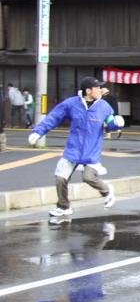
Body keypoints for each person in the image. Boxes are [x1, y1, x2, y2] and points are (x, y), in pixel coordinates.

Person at [28, 77, 125, 217]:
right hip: (73, 149)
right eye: (97, 88)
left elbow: (110, 123)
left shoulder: (104, 106)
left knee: (88, 177)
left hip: (92, 150)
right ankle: (63, 206)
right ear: (88, 90)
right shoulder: (71, 104)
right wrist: (38, 132)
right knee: (61, 178)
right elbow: (53, 117)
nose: (100, 90)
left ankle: (107, 192)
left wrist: (116, 123)